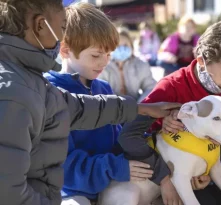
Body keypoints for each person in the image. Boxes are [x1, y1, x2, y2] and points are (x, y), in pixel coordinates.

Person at [0, 1, 180, 205]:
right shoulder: (43, 90)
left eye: (108, 55)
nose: (104, 62)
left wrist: (153, 129)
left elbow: (116, 134)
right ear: (66, 50)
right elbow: (60, 165)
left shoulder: (103, 88)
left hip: (110, 180)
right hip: (70, 191)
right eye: (96, 55)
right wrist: (114, 167)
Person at [119, 20, 221, 205]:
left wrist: (211, 175)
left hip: (214, 169)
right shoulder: (171, 88)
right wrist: (161, 122)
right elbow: (131, 135)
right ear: (202, 61)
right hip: (177, 176)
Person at [99, 26, 156, 102]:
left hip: (137, 108)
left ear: (131, 47)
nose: (121, 48)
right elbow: (99, 91)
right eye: (117, 45)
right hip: (111, 109)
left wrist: (141, 105)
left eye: (125, 45)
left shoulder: (141, 65)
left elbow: (150, 87)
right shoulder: (102, 67)